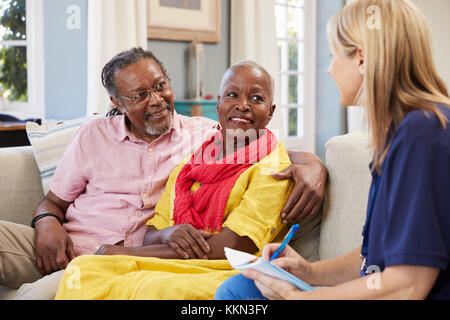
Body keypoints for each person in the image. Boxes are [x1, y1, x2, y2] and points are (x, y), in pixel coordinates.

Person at [0, 48, 327, 300]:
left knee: (42, 293)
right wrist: (46, 224)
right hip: (68, 243)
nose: (156, 101)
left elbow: (259, 149)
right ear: (117, 102)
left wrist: (314, 165)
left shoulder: (204, 136)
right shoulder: (94, 135)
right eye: (140, 95)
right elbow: (52, 203)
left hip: (123, 257)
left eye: (160, 86)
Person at [215, 0, 450, 300]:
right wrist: (308, 271)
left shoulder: (424, 133)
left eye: (333, 55)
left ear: (361, 59)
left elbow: (408, 284)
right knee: (240, 289)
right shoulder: (398, 135)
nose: (329, 69)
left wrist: (298, 298)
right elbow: (371, 262)